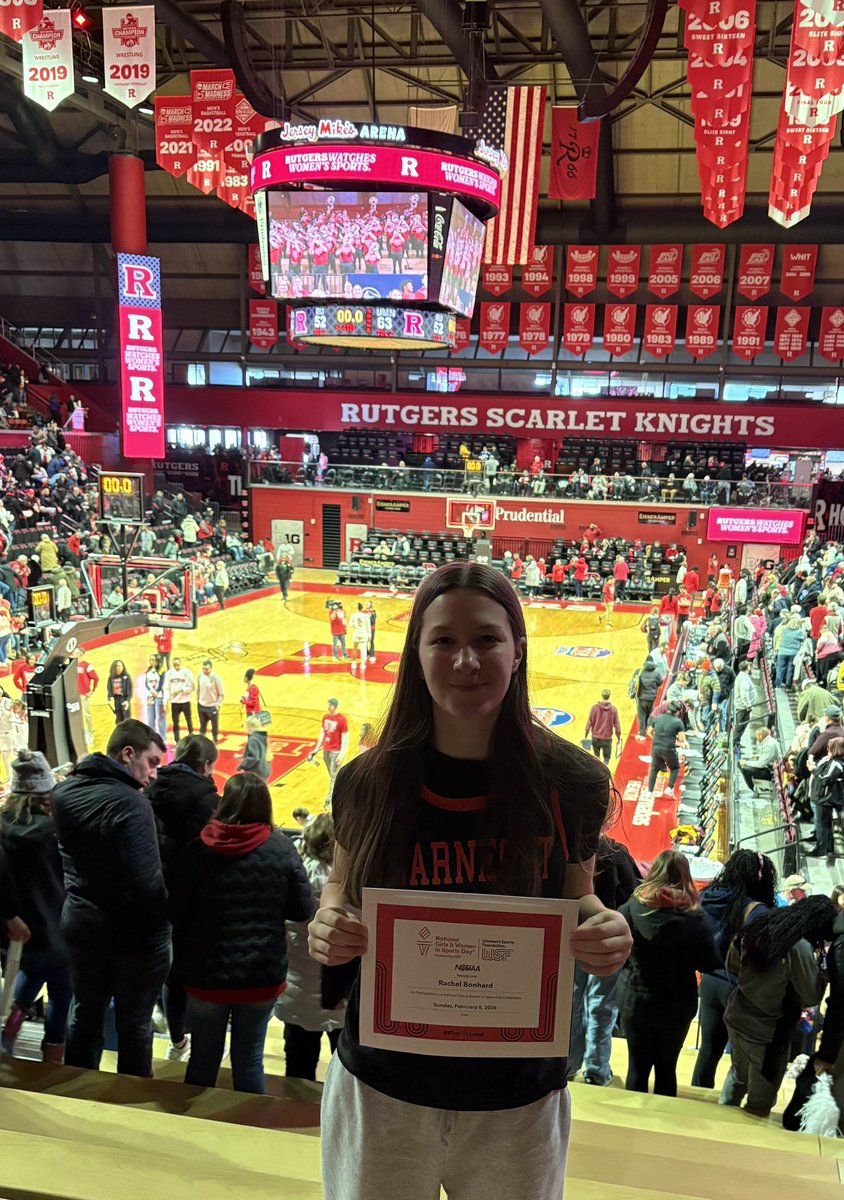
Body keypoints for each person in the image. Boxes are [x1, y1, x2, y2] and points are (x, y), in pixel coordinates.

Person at [308, 563, 631, 1200]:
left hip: (517, 1097)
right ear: (416, 653)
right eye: (443, 640)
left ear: (517, 650)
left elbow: (578, 893)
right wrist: (328, 925)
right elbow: (337, 892)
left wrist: (604, 927)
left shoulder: (573, 783)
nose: (465, 660)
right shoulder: (366, 782)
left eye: (486, 639)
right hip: (383, 1088)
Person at [170, 772, 314, 1094]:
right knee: (249, 1061)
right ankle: (250, 1132)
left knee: (202, 1059)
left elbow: (176, 911)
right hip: (259, 975)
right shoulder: (282, 848)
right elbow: (302, 910)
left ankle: (187, 1132)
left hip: (204, 975)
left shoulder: (197, 849)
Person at [51, 720, 169, 1077]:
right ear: (127, 753)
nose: (153, 774)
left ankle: (75, 1087)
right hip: (130, 937)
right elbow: (148, 886)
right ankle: (130, 1104)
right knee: (134, 1023)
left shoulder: (64, 792)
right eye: (151, 762)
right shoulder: (130, 803)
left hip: (81, 923)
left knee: (85, 1012)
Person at [721, 896, 836, 1118]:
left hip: (737, 1013)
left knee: (737, 1076)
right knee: (760, 1102)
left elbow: (735, 962)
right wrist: (824, 972)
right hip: (767, 1031)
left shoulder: (765, 923)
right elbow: (811, 994)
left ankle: (719, 1127)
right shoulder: (798, 946)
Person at [619, 851, 717, 1096]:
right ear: (686, 876)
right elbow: (710, 963)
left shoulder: (632, 907)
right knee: (667, 1069)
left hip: (636, 998)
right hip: (677, 1004)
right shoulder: (697, 916)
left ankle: (630, 1128)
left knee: (637, 1069)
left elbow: (617, 948)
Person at [148, 734, 219, 1062]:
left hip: (153, 888)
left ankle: (175, 1039)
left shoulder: (150, 785)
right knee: (194, 972)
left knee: (165, 968)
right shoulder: (207, 800)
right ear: (205, 765)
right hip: (194, 898)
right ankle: (197, 1046)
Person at [0, 750, 70, 1063]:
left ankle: (9, 1032)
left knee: (27, 974)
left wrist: (9, 916)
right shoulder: (55, 830)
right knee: (62, 994)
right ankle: (53, 1056)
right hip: (57, 926)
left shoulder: (1, 827)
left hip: (17, 931)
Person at [691, 850, 777, 1089]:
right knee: (740, 1058)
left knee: (707, 1051)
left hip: (707, 982)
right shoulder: (755, 910)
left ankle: (696, 1101)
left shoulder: (706, 896)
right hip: (737, 986)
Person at [275, 813, 345, 1079]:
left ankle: (293, 1114)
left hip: (297, 991)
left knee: (298, 1068)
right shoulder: (349, 886)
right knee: (344, 1069)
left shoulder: (294, 875)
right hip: (338, 996)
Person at [567, 837, 641, 1087]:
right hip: (608, 941)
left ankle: (569, 1064)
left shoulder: (572, 850)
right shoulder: (617, 852)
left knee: (573, 1003)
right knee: (601, 1007)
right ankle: (597, 1070)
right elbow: (634, 893)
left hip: (576, 938)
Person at [807, 737, 844, 866]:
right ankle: (827, 849)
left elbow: (824, 779)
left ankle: (821, 850)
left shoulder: (837, 764)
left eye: (829, 748)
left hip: (826, 798)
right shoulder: (830, 760)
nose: (827, 750)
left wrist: (813, 769)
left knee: (824, 826)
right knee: (825, 825)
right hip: (822, 798)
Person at [308, 698, 348, 808]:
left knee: (333, 778)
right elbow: (322, 734)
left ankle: (329, 802)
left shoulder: (342, 720)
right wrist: (316, 749)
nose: (328, 707)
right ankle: (343, 791)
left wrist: (342, 754)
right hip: (326, 750)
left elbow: (345, 738)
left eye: (330, 705)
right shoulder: (325, 718)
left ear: (334, 706)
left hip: (335, 752)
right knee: (333, 777)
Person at [644, 700, 688, 799]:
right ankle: (669, 788)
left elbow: (649, 732)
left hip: (656, 748)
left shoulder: (658, 718)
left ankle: (649, 792)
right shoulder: (678, 722)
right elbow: (682, 739)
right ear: (677, 712)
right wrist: (681, 742)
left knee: (654, 769)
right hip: (669, 749)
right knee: (675, 768)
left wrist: (657, 739)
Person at [738, 727, 783, 793]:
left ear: (761, 736)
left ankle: (752, 788)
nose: (756, 737)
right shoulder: (768, 740)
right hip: (766, 766)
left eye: (757, 736)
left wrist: (746, 762)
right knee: (741, 762)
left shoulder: (769, 746)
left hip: (769, 772)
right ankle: (752, 781)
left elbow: (761, 764)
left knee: (745, 769)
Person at [584, 689, 621, 765]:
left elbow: (589, 722)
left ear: (602, 695)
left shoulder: (594, 708)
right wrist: (618, 737)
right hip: (607, 739)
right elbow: (617, 726)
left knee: (596, 759)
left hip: (595, 738)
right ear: (609, 696)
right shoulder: (614, 710)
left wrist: (586, 735)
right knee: (606, 760)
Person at [164, 657, 195, 741]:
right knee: (175, 722)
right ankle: (177, 740)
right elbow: (166, 688)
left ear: (180, 663)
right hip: (174, 702)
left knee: (189, 720)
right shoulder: (169, 674)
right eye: (174, 665)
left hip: (185, 701)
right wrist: (165, 702)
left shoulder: (187, 673)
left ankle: (191, 737)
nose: (176, 666)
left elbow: (192, 687)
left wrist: (182, 690)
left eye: (177, 665)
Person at [632, 656, 662, 741]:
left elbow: (634, 682)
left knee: (641, 716)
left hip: (641, 697)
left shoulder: (640, 672)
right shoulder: (657, 673)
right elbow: (660, 683)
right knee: (650, 714)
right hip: (651, 698)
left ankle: (642, 733)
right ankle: (651, 730)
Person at [196, 659, 225, 744]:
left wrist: (217, 705)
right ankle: (201, 743)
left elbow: (221, 693)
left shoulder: (216, 678)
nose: (205, 671)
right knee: (202, 726)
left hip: (212, 706)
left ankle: (215, 740)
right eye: (203, 669)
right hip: (202, 705)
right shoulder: (200, 675)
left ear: (211, 668)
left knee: (214, 726)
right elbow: (198, 689)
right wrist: (198, 700)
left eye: (207, 669)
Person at [776, 615, 807, 690]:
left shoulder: (784, 630)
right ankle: (788, 686)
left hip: (782, 652)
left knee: (780, 669)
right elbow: (803, 639)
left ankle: (778, 685)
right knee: (790, 669)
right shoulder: (799, 631)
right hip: (793, 653)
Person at [733, 661, 757, 750]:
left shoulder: (742, 676)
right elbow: (744, 695)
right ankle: (735, 746)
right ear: (747, 668)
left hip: (742, 707)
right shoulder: (743, 679)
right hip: (743, 708)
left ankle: (737, 743)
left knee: (741, 727)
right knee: (740, 727)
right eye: (749, 667)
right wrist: (748, 705)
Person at [239, 715, 270, 780]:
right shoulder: (262, 736)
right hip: (264, 768)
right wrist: (243, 756)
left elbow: (255, 757)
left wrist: (242, 765)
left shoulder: (253, 739)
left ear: (250, 728)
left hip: (256, 772)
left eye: (246, 726)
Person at [144, 654, 167, 742]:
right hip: (150, 696)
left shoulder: (161, 671)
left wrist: (156, 691)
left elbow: (162, 683)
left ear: (158, 661)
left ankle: (162, 738)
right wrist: (151, 690)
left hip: (159, 696)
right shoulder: (148, 670)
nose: (152, 662)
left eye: (154, 660)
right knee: (150, 717)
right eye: (151, 660)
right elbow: (146, 683)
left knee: (160, 717)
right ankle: (152, 737)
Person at [106, 659, 132, 725]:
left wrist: (127, 700)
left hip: (124, 699)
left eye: (121, 666)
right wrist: (110, 698)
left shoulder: (127, 677)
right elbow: (109, 689)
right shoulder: (111, 677)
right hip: (116, 699)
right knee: (118, 718)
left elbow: (130, 690)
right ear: (114, 667)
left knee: (126, 718)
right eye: (117, 666)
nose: (119, 668)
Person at [349, 603, 371, 670]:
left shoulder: (353, 615)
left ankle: (353, 663)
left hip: (356, 633)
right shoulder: (366, 616)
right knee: (363, 649)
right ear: (362, 608)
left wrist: (355, 625)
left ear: (357, 608)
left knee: (355, 648)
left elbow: (350, 625)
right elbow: (368, 627)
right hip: (364, 633)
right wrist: (370, 636)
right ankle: (362, 664)